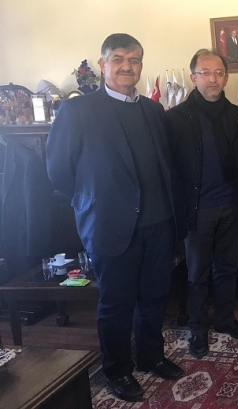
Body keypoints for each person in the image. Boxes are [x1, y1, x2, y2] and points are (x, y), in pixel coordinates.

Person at [46, 34, 184, 402]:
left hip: (159, 223)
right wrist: (90, 201)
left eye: (134, 60)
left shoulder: (153, 111)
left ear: (141, 65)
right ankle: (117, 369)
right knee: (116, 303)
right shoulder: (78, 110)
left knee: (155, 296)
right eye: (118, 59)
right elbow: (58, 170)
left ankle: (150, 355)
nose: (127, 66)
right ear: (103, 64)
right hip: (110, 225)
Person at [165, 49, 238, 358]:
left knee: (227, 269)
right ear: (194, 77)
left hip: (230, 205)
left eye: (218, 73)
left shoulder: (237, 115)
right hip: (197, 210)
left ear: (226, 78)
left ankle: (225, 319)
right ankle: (198, 328)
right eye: (205, 73)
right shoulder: (175, 118)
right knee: (197, 274)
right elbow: (171, 168)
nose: (212, 79)